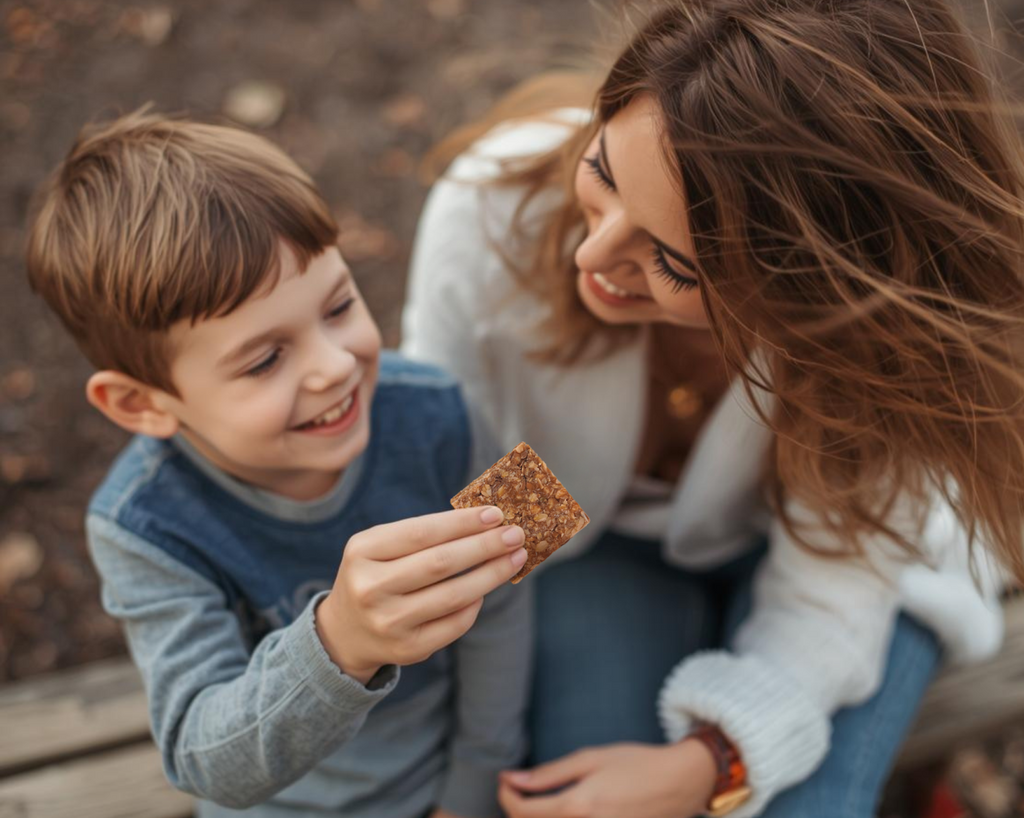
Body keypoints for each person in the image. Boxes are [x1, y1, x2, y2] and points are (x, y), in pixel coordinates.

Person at [401, 1, 1024, 816]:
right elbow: (470, 500)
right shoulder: (491, 214)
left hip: (866, 575)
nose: (593, 254)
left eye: (671, 262)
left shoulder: (878, 348)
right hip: (599, 551)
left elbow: (834, 593)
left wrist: (715, 762)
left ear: (813, 291)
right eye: (603, 170)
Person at [24, 110, 533, 818]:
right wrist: (339, 646)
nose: (335, 366)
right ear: (141, 404)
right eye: (265, 359)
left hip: (445, 780)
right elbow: (202, 760)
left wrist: (473, 787)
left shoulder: (443, 411)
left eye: (339, 306)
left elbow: (505, 602)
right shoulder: (141, 526)